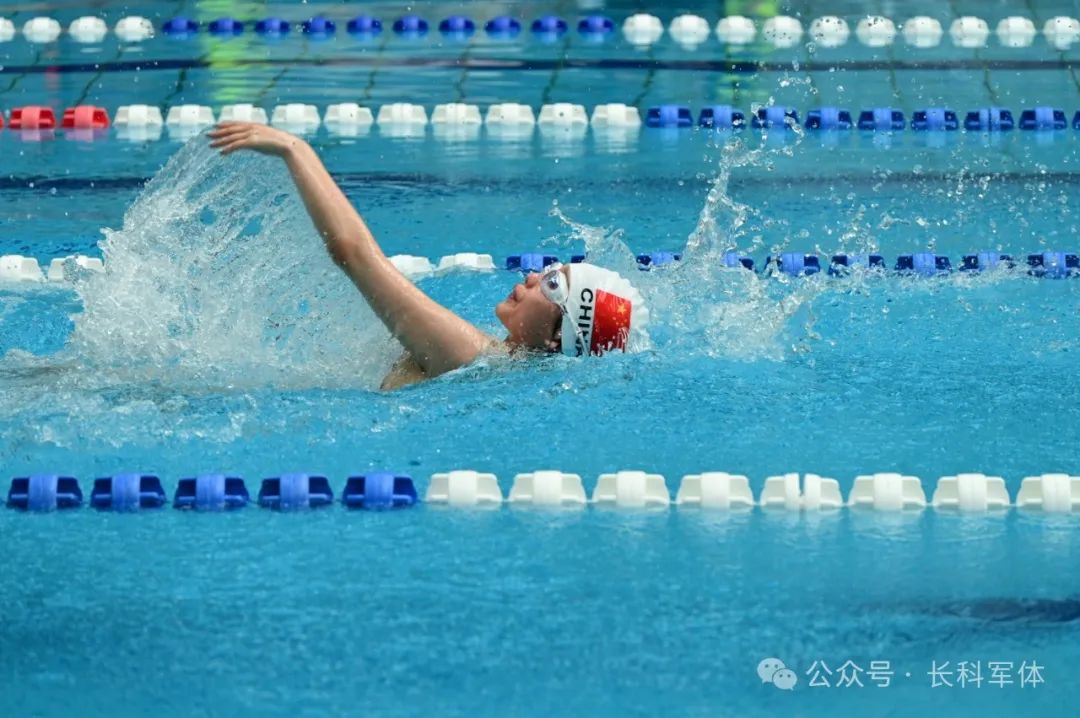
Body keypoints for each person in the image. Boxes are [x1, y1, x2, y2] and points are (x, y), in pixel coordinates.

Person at [208, 122, 648, 390]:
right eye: (550, 270)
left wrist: (295, 149)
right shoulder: (495, 368)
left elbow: (352, 253)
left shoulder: (471, 356)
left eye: (552, 284)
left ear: (557, 339)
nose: (534, 276)